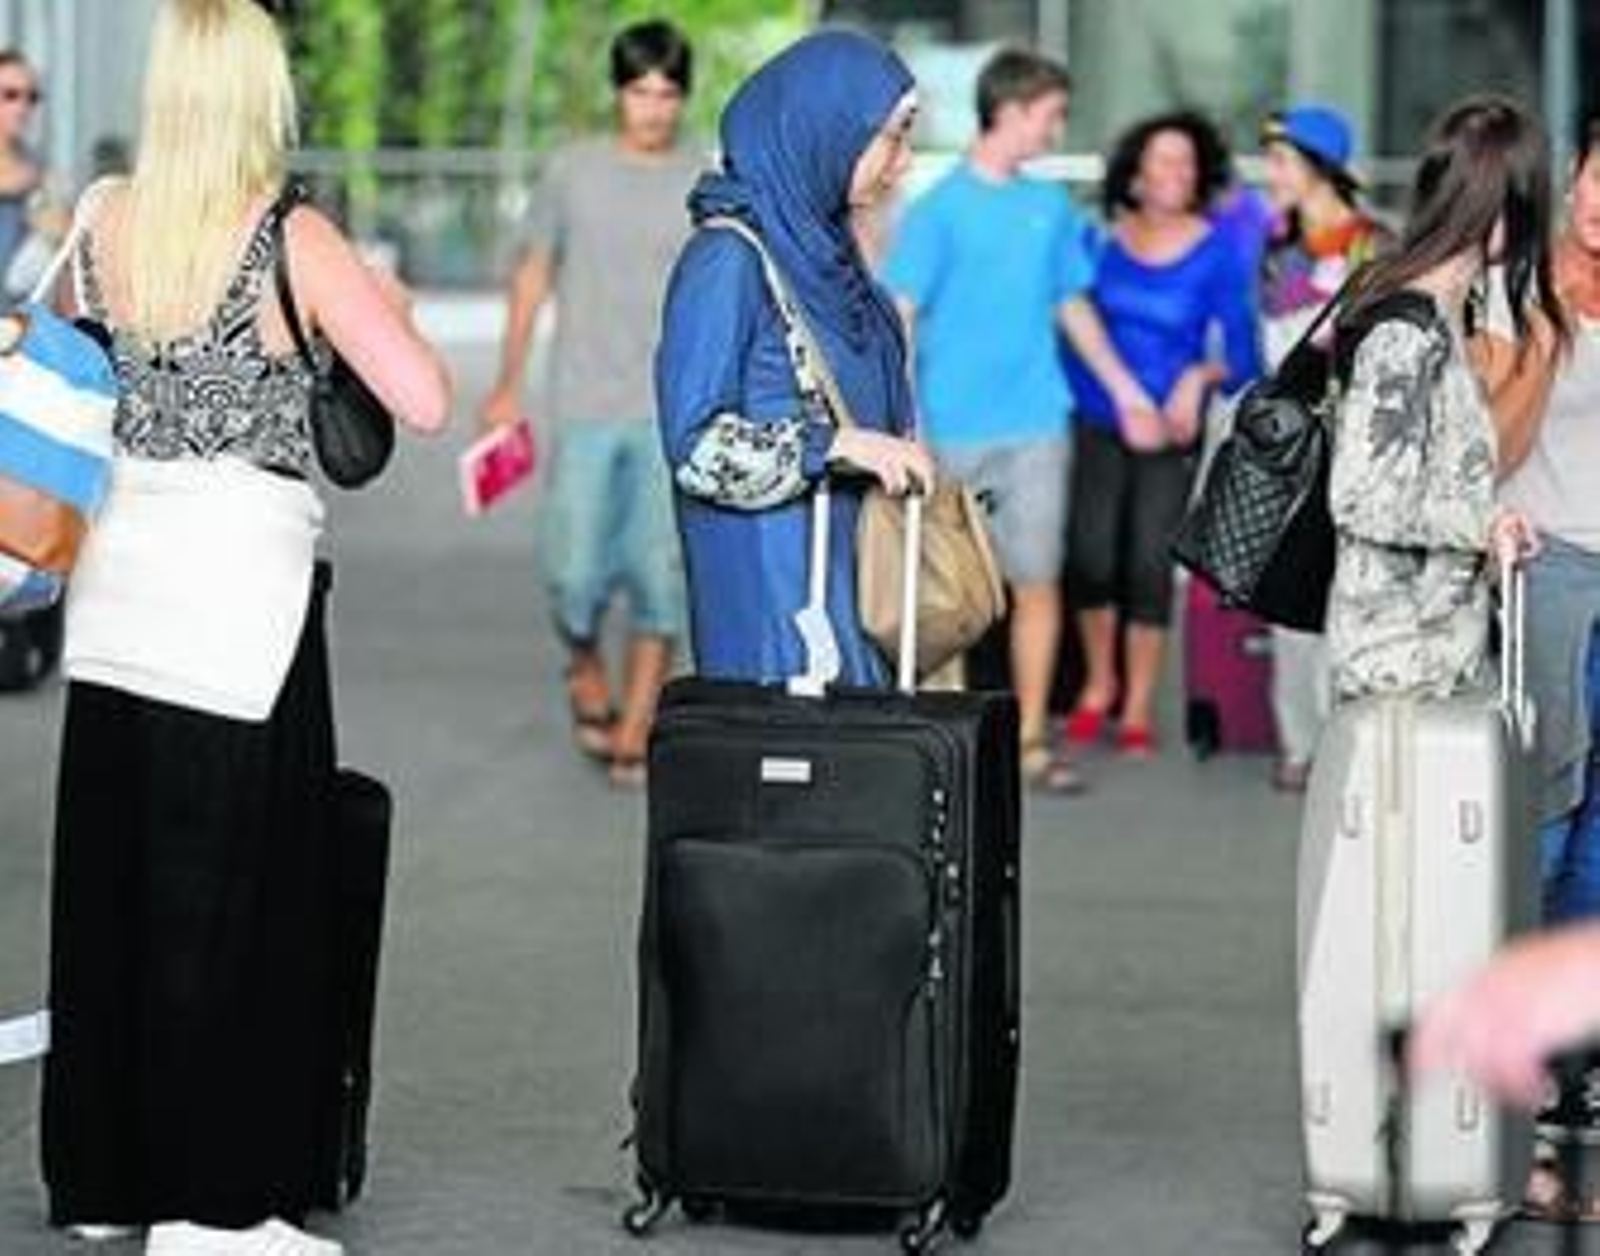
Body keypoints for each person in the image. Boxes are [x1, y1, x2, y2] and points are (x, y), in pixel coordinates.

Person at [41, 2, 451, 1253]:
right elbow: (423, 398)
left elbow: (52, 357)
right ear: (262, 95)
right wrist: (376, 305)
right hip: (238, 603)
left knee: (114, 883)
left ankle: (105, 1177)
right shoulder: (291, 235)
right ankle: (216, 1205)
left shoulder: (104, 216)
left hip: (117, 583)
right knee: (237, 893)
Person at [882, 48, 1149, 794]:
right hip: (949, 430)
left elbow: (1072, 307)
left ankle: (1029, 740)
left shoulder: (1049, 208)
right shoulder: (936, 211)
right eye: (1050, 115)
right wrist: (902, 425)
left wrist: (1126, 391)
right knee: (949, 596)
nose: (1056, 129)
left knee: (1037, 583)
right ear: (1010, 109)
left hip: (1037, 423)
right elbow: (899, 317)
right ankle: (945, 748)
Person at [655, 30, 935, 688]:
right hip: (777, 618)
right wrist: (834, 446)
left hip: (854, 598)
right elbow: (695, 448)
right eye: (892, 137)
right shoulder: (727, 260)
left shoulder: (828, 256)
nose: (903, 162)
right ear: (824, 129)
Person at [481, 20, 701, 787]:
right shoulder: (572, 172)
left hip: (670, 410)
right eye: (640, 92)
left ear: (683, 98)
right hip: (583, 404)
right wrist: (507, 383)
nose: (653, 108)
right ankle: (582, 664)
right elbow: (533, 275)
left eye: (667, 94)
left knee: (660, 576)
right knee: (572, 574)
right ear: (618, 93)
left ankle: (636, 725)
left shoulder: (703, 179)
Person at [1323, 96, 1562, 707]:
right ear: (1505, 205)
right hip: (1397, 663)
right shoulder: (1408, 333)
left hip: (1432, 651)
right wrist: (1484, 523)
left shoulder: (1449, 316)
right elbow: (1362, 497)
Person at [1469, 108, 1600, 1214]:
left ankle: (1572, 1063)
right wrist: (1547, 344)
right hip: (1544, 572)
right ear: (1574, 174)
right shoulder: (1513, 288)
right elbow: (1491, 451)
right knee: (1543, 820)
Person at [1061, 110, 1261, 757]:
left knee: (1149, 564)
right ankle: (1099, 684)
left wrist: (1197, 379)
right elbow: (1072, 335)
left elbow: (1245, 360)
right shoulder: (1097, 240)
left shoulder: (1220, 252)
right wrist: (1121, 402)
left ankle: (1139, 704)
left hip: (1173, 430)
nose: (1177, 172)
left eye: (1187, 162)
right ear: (1136, 176)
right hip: (1099, 417)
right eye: (1163, 160)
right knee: (1091, 557)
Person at [1256, 104, 1392, 792]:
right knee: (1290, 596)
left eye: (1282, 161)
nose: (1271, 175)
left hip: (1357, 445)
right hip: (1290, 445)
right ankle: (1300, 743)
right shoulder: (1276, 249)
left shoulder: (1376, 246)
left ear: (1319, 165)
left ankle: (1345, 736)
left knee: (1352, 594)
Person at [0, 47, 63, 300]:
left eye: (32, 97)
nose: (23, 106)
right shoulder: (33, 175)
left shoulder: (37, 166)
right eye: (10, 95)